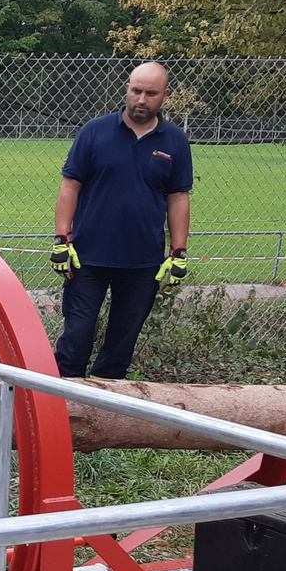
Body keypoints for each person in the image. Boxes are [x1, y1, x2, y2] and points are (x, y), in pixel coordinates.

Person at [51, 62, 193, 379]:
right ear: (127, 89)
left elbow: (178, 197)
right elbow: (69, 187)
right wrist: (61, 240)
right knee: (76, 339)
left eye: (150, 93)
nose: (141, 99)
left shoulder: (175, 141)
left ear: (165, 96)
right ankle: (60, 409)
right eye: (136, 90)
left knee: (121, 347)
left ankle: (106, 413)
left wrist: (179, 251)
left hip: (143, 260)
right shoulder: (94, 131)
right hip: (87, 255)